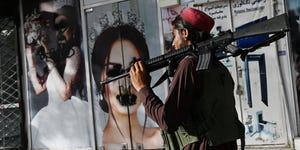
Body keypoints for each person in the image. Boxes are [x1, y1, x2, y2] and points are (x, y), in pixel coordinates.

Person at [129, 8, 245, 150]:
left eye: (174, 36)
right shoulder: (218, 67)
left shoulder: (189, 65)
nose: (173, 44)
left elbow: (167, 121)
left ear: (185, 33)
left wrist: (143, 89)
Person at [25, 6, 91, 148]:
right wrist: (29, 52)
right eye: (56, 28)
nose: (59, 33)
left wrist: (48, 57)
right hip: (52, 118)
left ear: (72, 29)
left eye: (63, 26)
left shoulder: (74, 51)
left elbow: (64, 93)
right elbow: (38, 88)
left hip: (68, 118)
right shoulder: (57, 58)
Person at [91, 24, 164, 149]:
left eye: (134, 70)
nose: (125, 84)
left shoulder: (161, 138)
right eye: (114, 73)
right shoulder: (94, 143)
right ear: (99, 82)